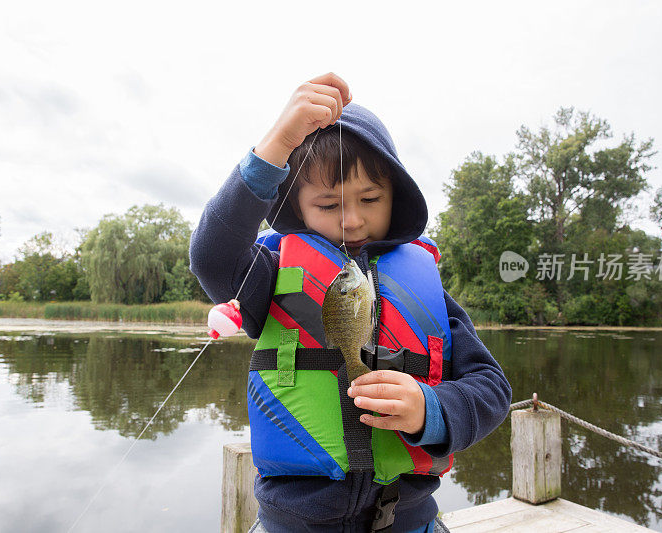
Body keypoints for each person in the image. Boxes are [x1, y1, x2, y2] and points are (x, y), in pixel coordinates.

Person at [190, 72, 512, 533]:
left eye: (370, 198)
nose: (352, 220)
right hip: (295, 522)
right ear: (297, 207)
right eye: (328, 204)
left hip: (412, 519)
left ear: (394, 197)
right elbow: (210, 256)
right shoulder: (270, 270)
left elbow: (492, 389)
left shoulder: (425, 284)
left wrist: (431, 409)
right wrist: (277, 144)